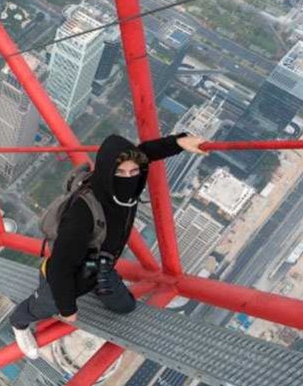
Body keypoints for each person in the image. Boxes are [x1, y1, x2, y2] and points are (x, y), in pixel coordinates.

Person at [11, 132, 208, 360]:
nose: (129, 177)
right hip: (66, 276)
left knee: (125, 306)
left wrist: (179, 142)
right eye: (121, 173)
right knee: (46, 306)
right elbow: (60, 267)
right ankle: (18, 323)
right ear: (107, 172)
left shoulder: (118, 188)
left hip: (100, 267)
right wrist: (67, 308)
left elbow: (145, 153)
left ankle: (94, 286)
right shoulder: (83, 213)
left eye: (134, 172)